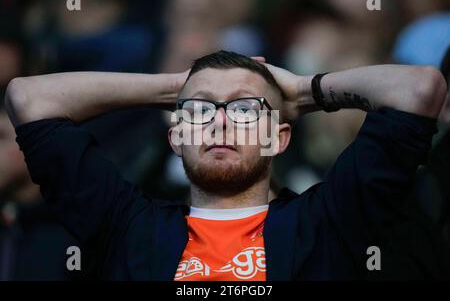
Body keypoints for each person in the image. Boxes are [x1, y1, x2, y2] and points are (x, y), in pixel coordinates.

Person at [4, 50, 447, 280]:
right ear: (176, 137)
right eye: (199, 111)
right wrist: (180, 86)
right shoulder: (129, 228)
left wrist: (302, 91)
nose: (219, 122)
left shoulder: (327, 224)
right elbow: (29, 98)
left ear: (278, 136)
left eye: (245, 110)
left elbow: (419, 88)